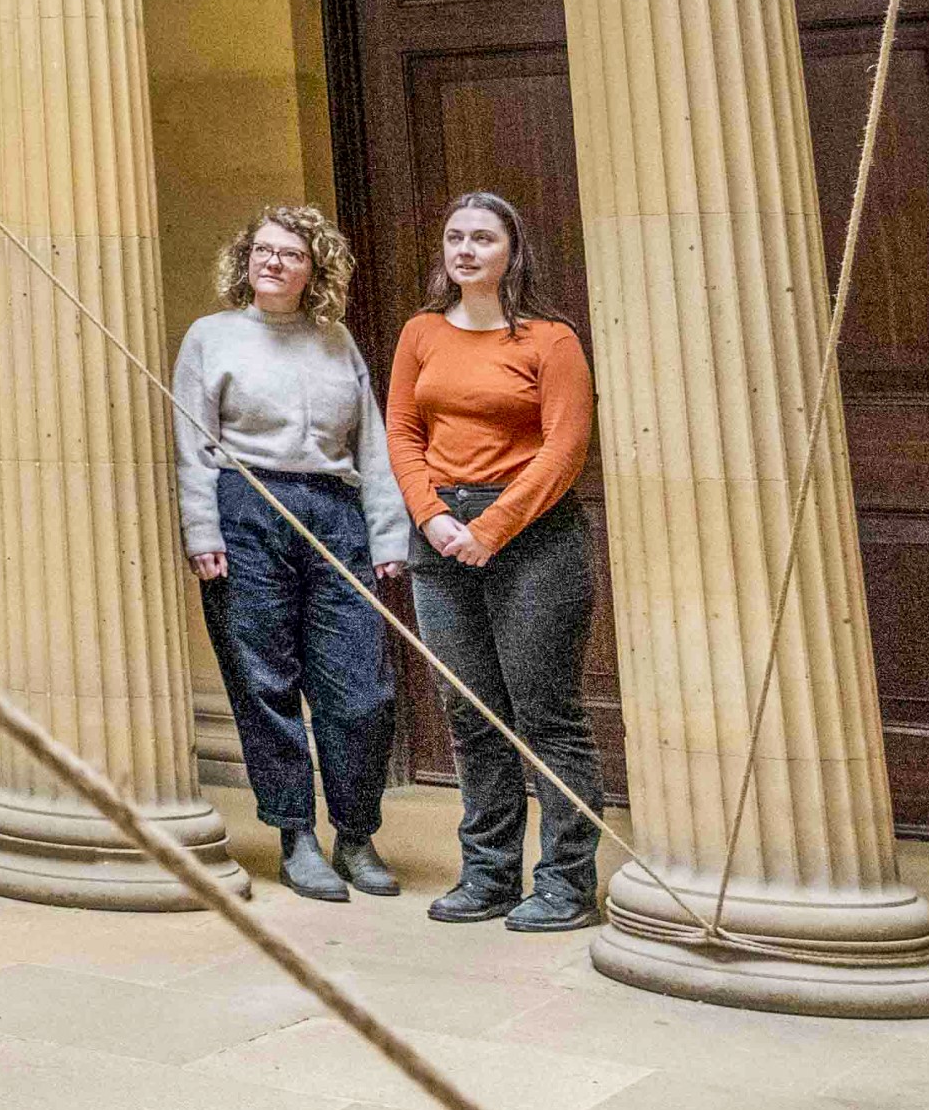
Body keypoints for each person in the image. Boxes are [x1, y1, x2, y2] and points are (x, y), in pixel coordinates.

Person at [173, 204, 408, 903]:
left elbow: (374, 443)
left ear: (316, 271)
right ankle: (295, 834)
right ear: (245, 260)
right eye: (262, 250)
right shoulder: (210, 337)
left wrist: (388, 536)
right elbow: (192, 445)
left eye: (290, 254)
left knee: (361, 688)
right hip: (245, 507)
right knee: (263, 680)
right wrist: (202, 530)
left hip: (335, 513)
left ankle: (357, 835)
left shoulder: (336, 342)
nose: (272, 261)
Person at [386, 189, 605, 932]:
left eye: (483, 237)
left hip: (534, 535)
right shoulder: (419, 332)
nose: (466, 249)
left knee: (545, 713)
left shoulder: (551, 339)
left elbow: (565, 448)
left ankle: (567, 883)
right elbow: (402, 431)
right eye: (455, 237)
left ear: (513, 250)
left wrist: (494, 525)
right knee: (471, 714)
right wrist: (433, 514)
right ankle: (487, 874)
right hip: (439, 532)